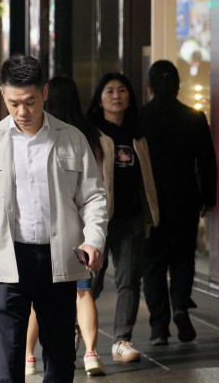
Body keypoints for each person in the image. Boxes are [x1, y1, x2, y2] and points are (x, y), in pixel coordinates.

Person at [0, 54, 107, 383]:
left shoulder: (71, 138)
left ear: (45, 92)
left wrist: (93, 239)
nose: (22, 112)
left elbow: (94, 196)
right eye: (13, 103)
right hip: (6, 260)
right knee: (6, 362)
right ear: (1, 94)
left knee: (60, 357)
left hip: (59, 258)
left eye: (30, 102)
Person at [24, 75, 111, 376]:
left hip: (52, 236)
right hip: (83, 233)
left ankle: (28, 358)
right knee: (83, 292)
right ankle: (91, 352)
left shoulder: (51, 136)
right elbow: (99, 189)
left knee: (36, 300)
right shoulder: (89, 135)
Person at [139, 60, 217, 345]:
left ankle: (159, 327)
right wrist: (208, 198)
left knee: (154, 264)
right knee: (183, 257)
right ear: (178, 87)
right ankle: (181, 306)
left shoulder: (140, 117)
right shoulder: (193, 117)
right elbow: (207, 162)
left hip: (151, 203)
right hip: (185, 199)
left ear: (149, 87)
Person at [85, 72, 159, 361]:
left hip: (132, 218)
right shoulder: (92, 131)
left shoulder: (137, 131)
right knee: (91, 283)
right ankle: (78, 334)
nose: (117, 96)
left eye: (122, 91)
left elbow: (148, 176)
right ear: (100, 98)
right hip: (99, 221)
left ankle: (121, 341)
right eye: (110, 91)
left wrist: (151, 211)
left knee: (129, 280)